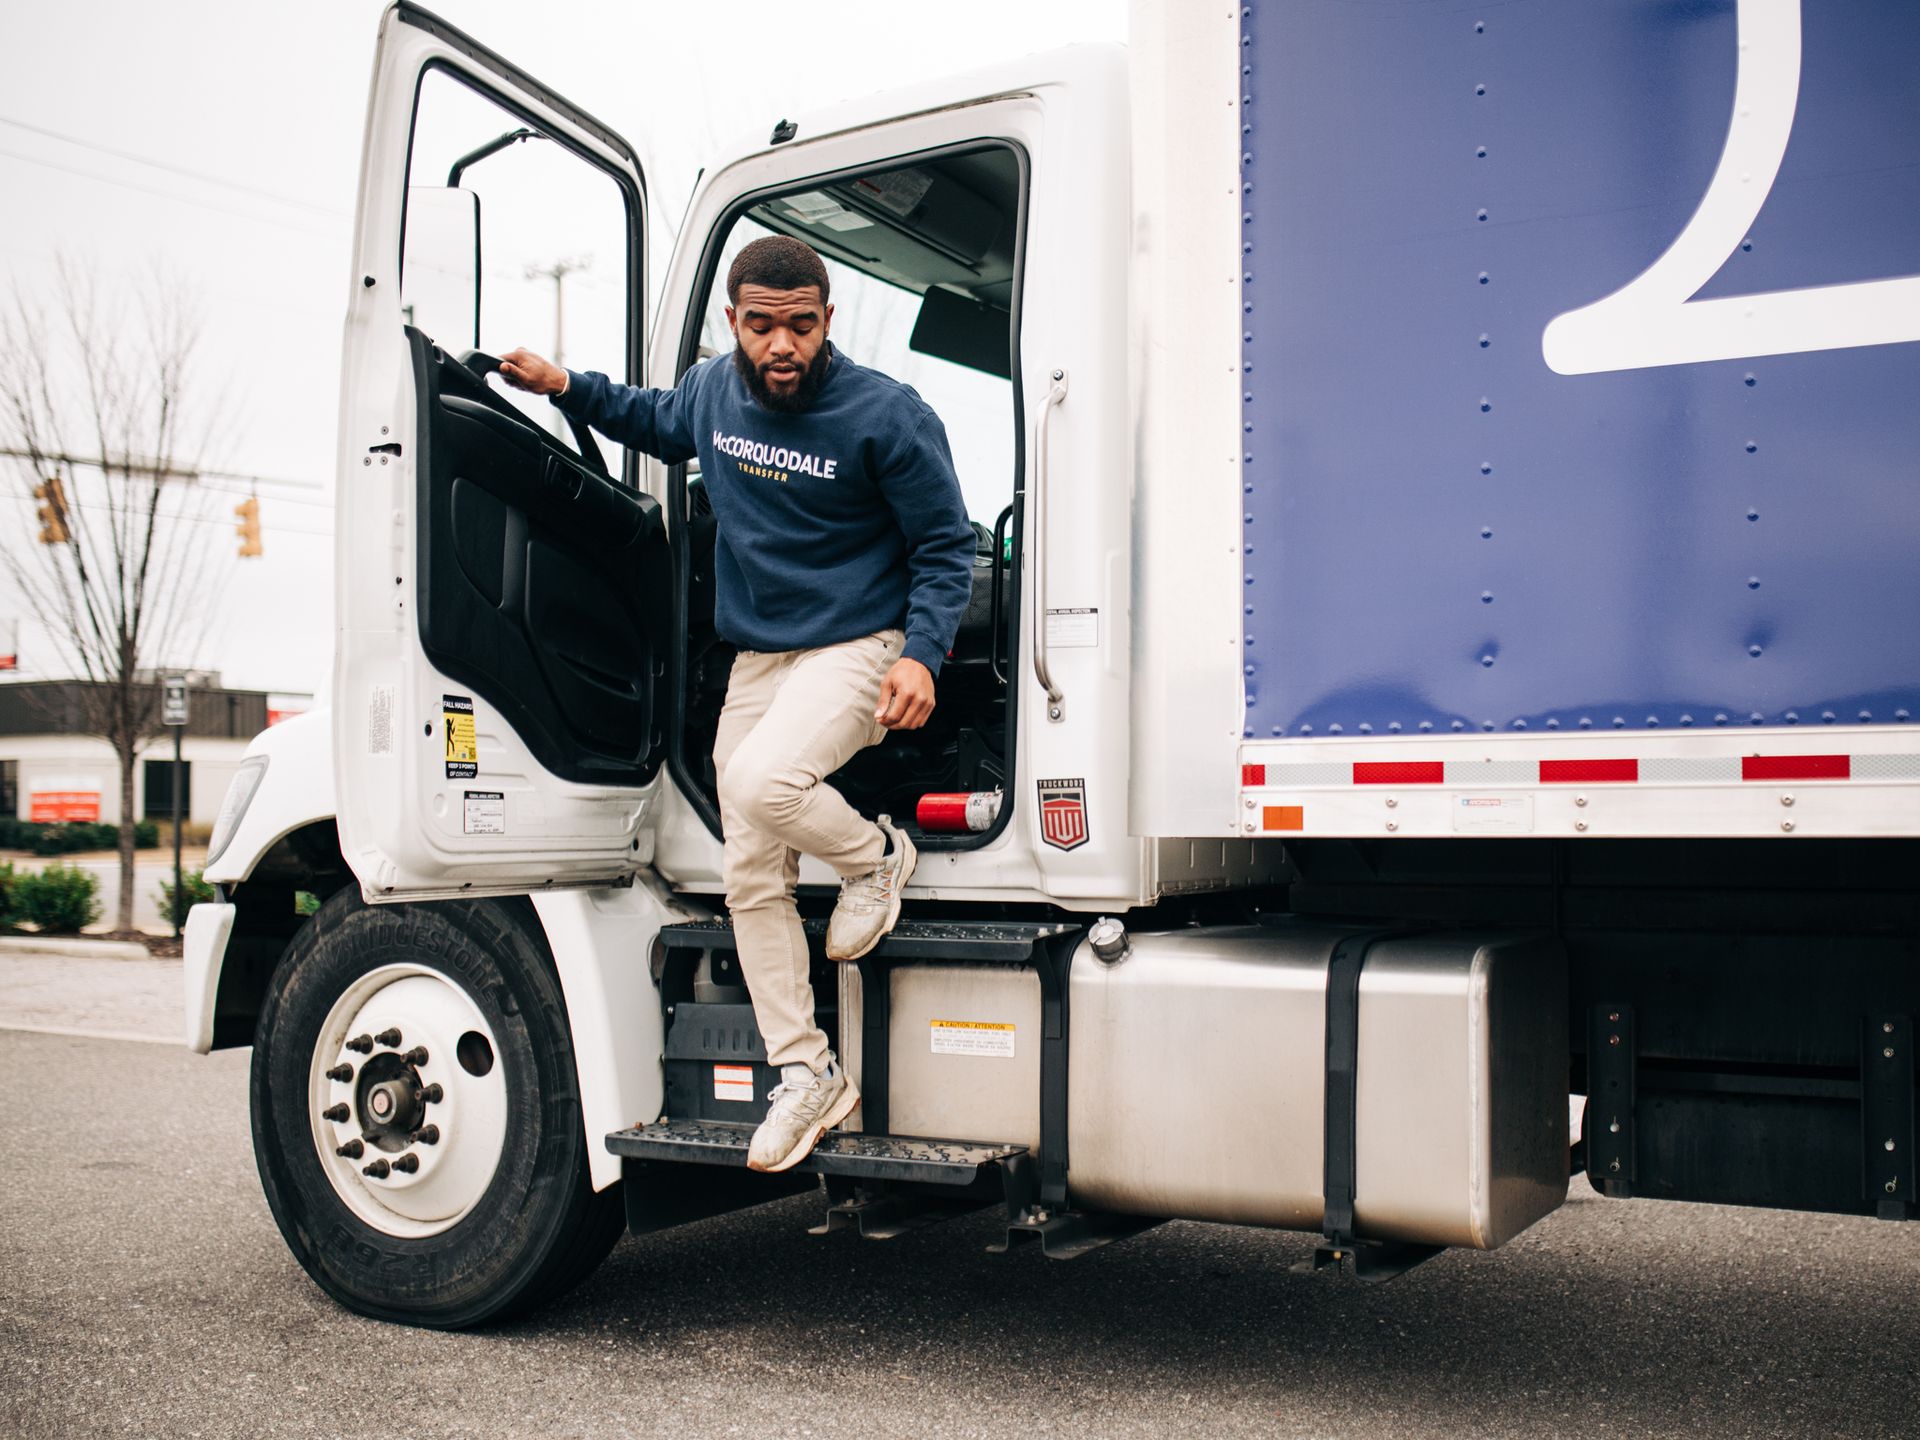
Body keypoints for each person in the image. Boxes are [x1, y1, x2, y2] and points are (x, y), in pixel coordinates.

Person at [499, 235, 975, 1173]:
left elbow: (946, 546)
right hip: (761, 655)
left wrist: (922, 654)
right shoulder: (717, 391)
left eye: (801, 325)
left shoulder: (887, 415)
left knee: (762, 782)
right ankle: (808, 1076)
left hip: (858, 644)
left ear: (827, 320)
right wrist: (564, 386)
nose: (782, 345)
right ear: (735, 324)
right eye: (762, 326)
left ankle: (877, 858)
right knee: (750, 867)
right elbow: (654, 416)